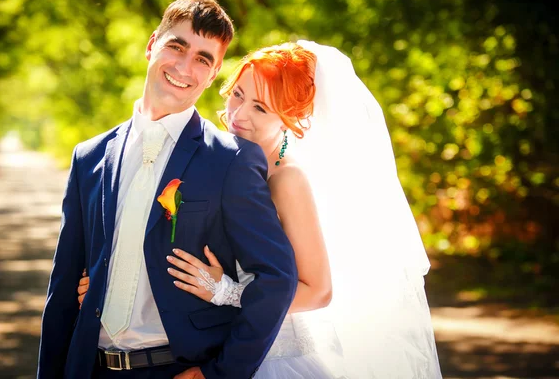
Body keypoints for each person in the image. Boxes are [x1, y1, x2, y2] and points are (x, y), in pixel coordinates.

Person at [79, 41, 444, 378]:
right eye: (238, 94)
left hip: (272, 355)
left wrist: (225, 292)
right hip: (209, 345)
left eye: (260, 107)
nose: (238, 113)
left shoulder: (287, 181)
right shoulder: (213, 159)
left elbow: (319, 291)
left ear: (291, 118)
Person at [38, 0, 298, 379]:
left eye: (203, 59)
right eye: (176, 46)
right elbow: (62, 289)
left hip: (172, 369)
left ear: (211, 77)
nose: (184, 66)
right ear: (151, 45)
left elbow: (277, 279)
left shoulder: (231, 160)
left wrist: (220, 374)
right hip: (90, 368)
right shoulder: (88, 157)